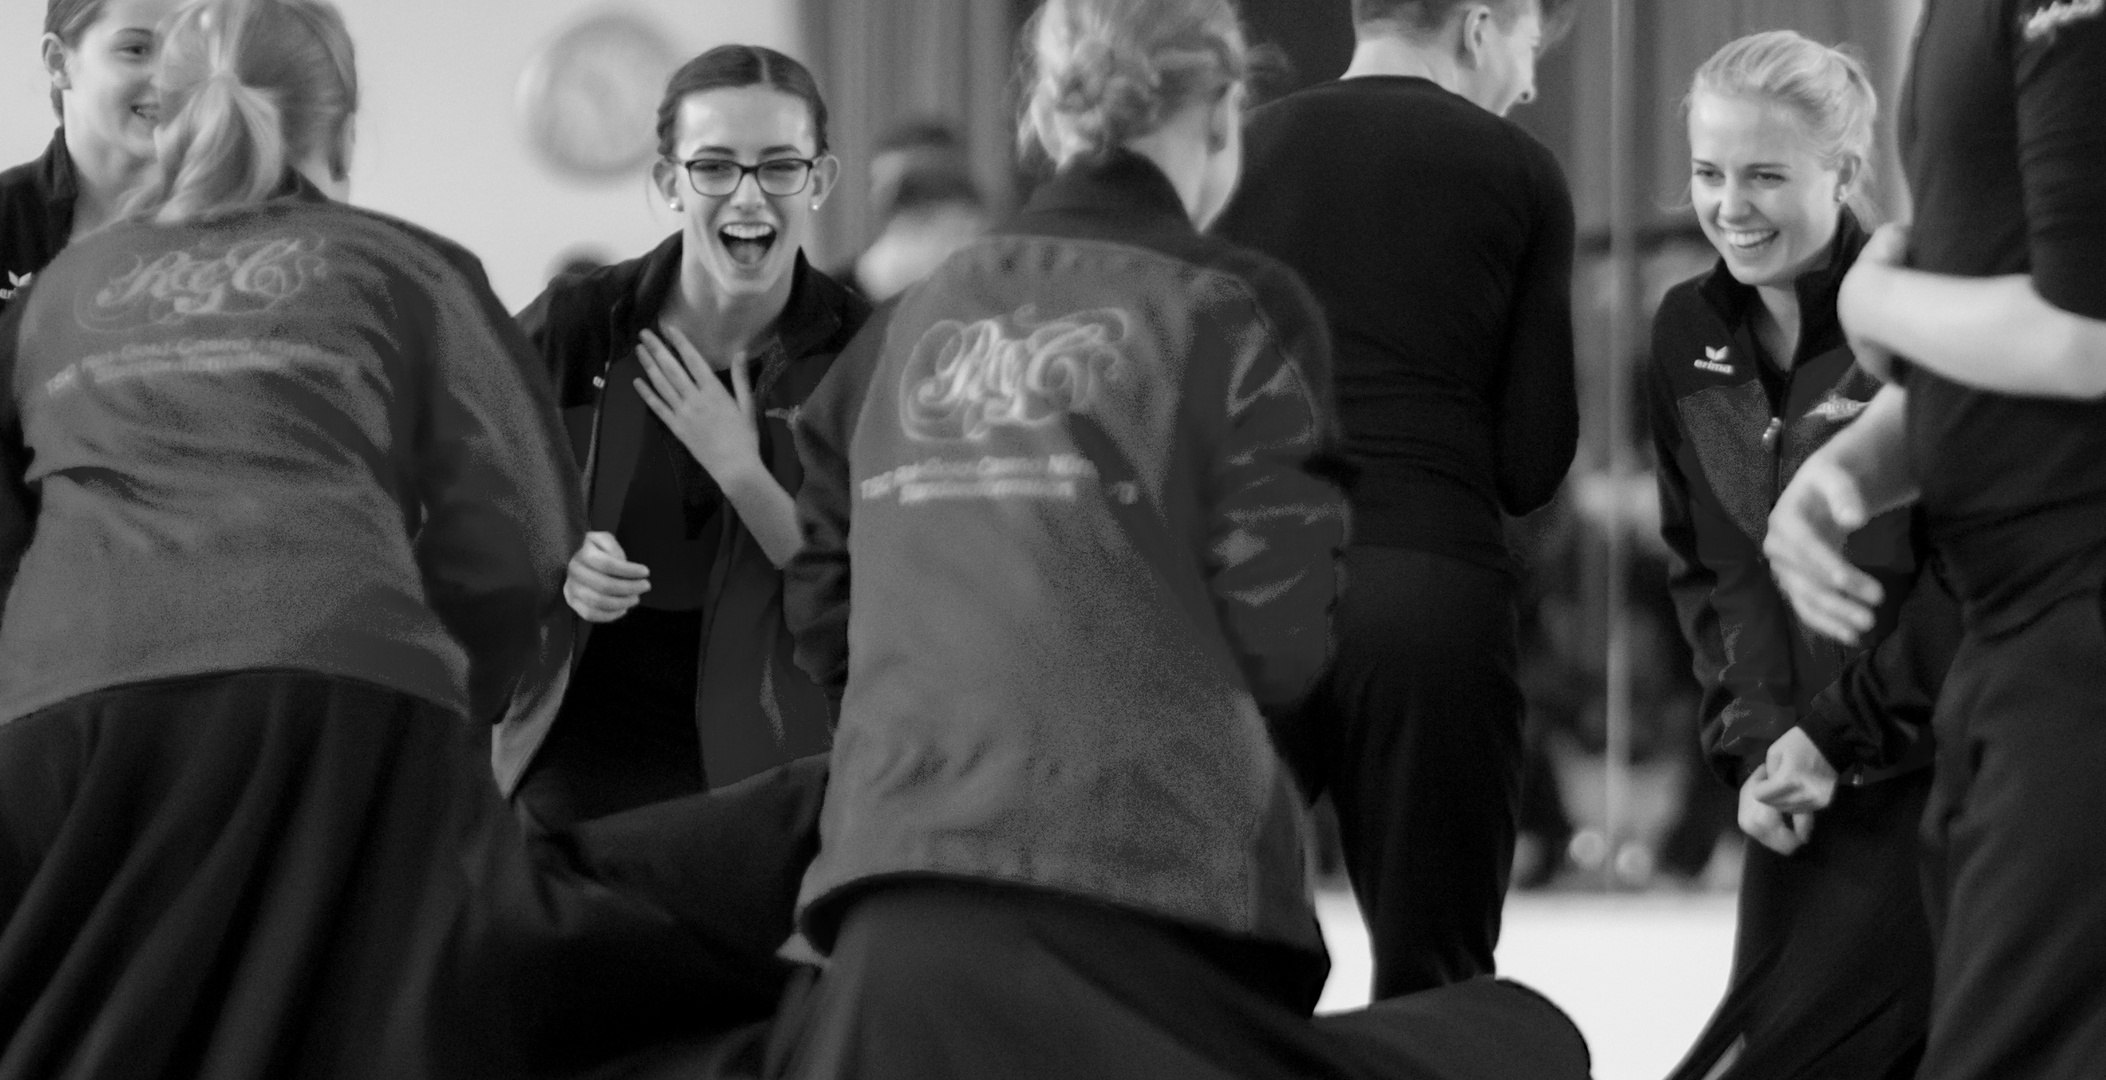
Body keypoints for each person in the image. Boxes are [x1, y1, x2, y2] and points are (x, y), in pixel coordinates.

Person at [765, 1, 1590, 1077]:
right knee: (1484, 1014)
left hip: (893, 868)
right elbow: (1288, 613)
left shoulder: (908, 319)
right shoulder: (1228, 306)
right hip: (1230, 780)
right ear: (1215, 118)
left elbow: (824, 575)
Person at [0, 3, 826, 1076]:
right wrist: (455, 696)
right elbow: (521, 532)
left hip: (62, 705)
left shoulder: (58, 294)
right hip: (342, 685)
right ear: (338, 124)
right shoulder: (403, 264)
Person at [1761, 2, 2106, 1076]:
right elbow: (2013, 331)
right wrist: (1850, 475)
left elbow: (2089, 333)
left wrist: (1878, 303)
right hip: (2002, 629)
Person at [1211, 0, 1579, 998]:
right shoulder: (1517, 169)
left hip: (1251, 599)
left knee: (1224, 983)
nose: (1529, 77)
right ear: (1477, 24)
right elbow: (1532, 461)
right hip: (1429, 592)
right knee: (1439, 985)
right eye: (1526, 45)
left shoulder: (1233, 152)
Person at [1644, 32, 1962, 1080]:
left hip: (1929, 773)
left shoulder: (1917, 322)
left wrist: (1837, 734)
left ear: (1846, 173)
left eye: (1765, 175)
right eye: (1708, 172)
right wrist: (1759, 748)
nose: (1730, 205)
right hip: (1798, 786)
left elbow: (1961, 582)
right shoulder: (1688, 329)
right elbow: (1715, 565)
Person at [497, 45, 872, 825]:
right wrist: (558, 556)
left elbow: (873, 593)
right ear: (669, 182)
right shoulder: (578, 327)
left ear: (820, 180)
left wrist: (746, 476)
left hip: (782, 754)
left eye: (778, 166)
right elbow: (466, 502)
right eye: (714, 167)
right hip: (578, 741)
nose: (748, 196)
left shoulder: (861, 353)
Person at [1, 0, 181, 319]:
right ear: (59, 62)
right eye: (137, 49)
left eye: (187, 53)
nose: (171, 80)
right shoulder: (6, 216)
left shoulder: (245, 212)